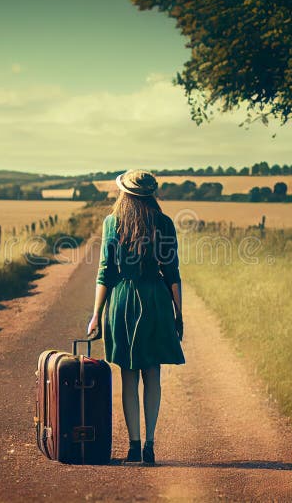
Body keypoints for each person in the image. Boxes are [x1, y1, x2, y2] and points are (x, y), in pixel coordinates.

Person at [86, 169, 185, 465]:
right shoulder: (164, 223)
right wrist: (180, 313)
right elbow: (172, 272)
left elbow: (105, 272)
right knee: (152, 373)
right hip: (156, 300)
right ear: (151, 194)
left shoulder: (112, 222)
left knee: (128, 376)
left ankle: (133, 446)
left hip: (123, 301)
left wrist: (96, 315)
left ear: (124, 193)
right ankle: (150, 446)